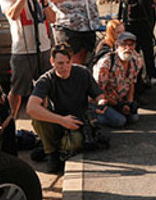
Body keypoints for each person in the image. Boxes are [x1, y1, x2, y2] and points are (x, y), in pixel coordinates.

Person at [27, 42, 101, 172]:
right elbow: (31, 108)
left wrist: (101, 103)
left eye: (68, 62)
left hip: (77, 121)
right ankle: (51, 153)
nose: (65, 67)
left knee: (77, 143)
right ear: (52, 61)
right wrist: (62, 120)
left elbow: (98, 95)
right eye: (60, 63)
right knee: (37, 119)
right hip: (56, 120)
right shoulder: (46, 79)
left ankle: (49, 148)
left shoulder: (82, 73)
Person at [0, 0, 57, 120]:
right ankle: (10, 123)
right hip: (22, 49)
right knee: (17, 90)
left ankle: (45, 123)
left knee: (44, 88)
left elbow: (53, 19)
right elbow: (13, 14)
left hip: (43, 47)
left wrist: (44, 2)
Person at [111, 0, 156, 84]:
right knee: (132, 48)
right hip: (130, 18)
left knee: (148, 48)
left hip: (144, 16)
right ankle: (135, 77)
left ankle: (151, 74)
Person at [93, 30, 144, 128]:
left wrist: (129, 103)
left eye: (131, 45)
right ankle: (92, 116)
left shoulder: (137, 61)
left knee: (133, 118)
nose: (128, 48)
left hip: (120, 99)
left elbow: (132, 83)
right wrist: (118, 105)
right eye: (124, 45)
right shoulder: (106, 63)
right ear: (116, 47)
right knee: (120, 121)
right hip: (102, 100)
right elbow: (98, 91)